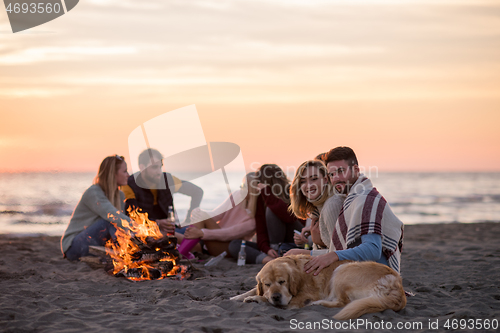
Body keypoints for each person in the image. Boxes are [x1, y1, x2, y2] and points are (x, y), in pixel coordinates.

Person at [300, 147, 404, 275]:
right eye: (332, 174)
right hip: (362, 271)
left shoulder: (366, 199)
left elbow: (373, 250)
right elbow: (344, 249)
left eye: (341, 171)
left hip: (375, 276)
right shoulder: (352, 198)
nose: (336, 178)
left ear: (355, 170)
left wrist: (331, 255)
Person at [121, 148, 203, 242]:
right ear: (142, 167)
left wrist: (189, 220)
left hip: (171, 230)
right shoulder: (129, 185)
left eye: (160, 167)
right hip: (145, 232)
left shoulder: (168, 180)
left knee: (201, 235)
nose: (159, 172)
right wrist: (157, 223)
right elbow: (131, 216)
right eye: (154, 167)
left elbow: (197, 192)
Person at [228, 164, 304, 264]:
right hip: (272, 247)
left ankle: (276, 251)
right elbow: (261, 231)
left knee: (271, 210)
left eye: (259, 182)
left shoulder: (291, 192)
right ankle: (268, 259)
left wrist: (267, 193)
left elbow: (288, 217)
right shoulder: (261, 198)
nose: (257, 186)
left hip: (295, 241)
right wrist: (267, 249)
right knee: (234, 245)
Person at [61, 155, 131, 261]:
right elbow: (112, 215)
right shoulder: (93, 192)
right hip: (73, 246)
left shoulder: (120, 195)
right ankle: (126, 255)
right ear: (113, 174)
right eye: (125, 171)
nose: (128, 175)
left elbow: (122, 226)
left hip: (97, 245)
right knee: (111, 221)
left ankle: (128, 254)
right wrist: (139, 228)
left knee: (119, 225)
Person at [182, 173, 259, 256]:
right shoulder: (237, 195)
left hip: (227, 248)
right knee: (175, 235)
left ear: (252, 191)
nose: (240, 188)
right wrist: (198, 212)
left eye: (243, 186)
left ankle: (180, 254)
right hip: (211, 238)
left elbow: (228, 234)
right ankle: (182, 253)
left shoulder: (254, 219)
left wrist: (202, 233)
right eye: (241, 185)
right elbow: (216, 214)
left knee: (201, 219)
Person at [286, 160, 345, 255]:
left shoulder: (332, 205)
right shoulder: (317, 208)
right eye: (303, 181)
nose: (309, 185)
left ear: (326, 179)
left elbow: (341, 253)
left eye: (314, 179)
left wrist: (307, 253)